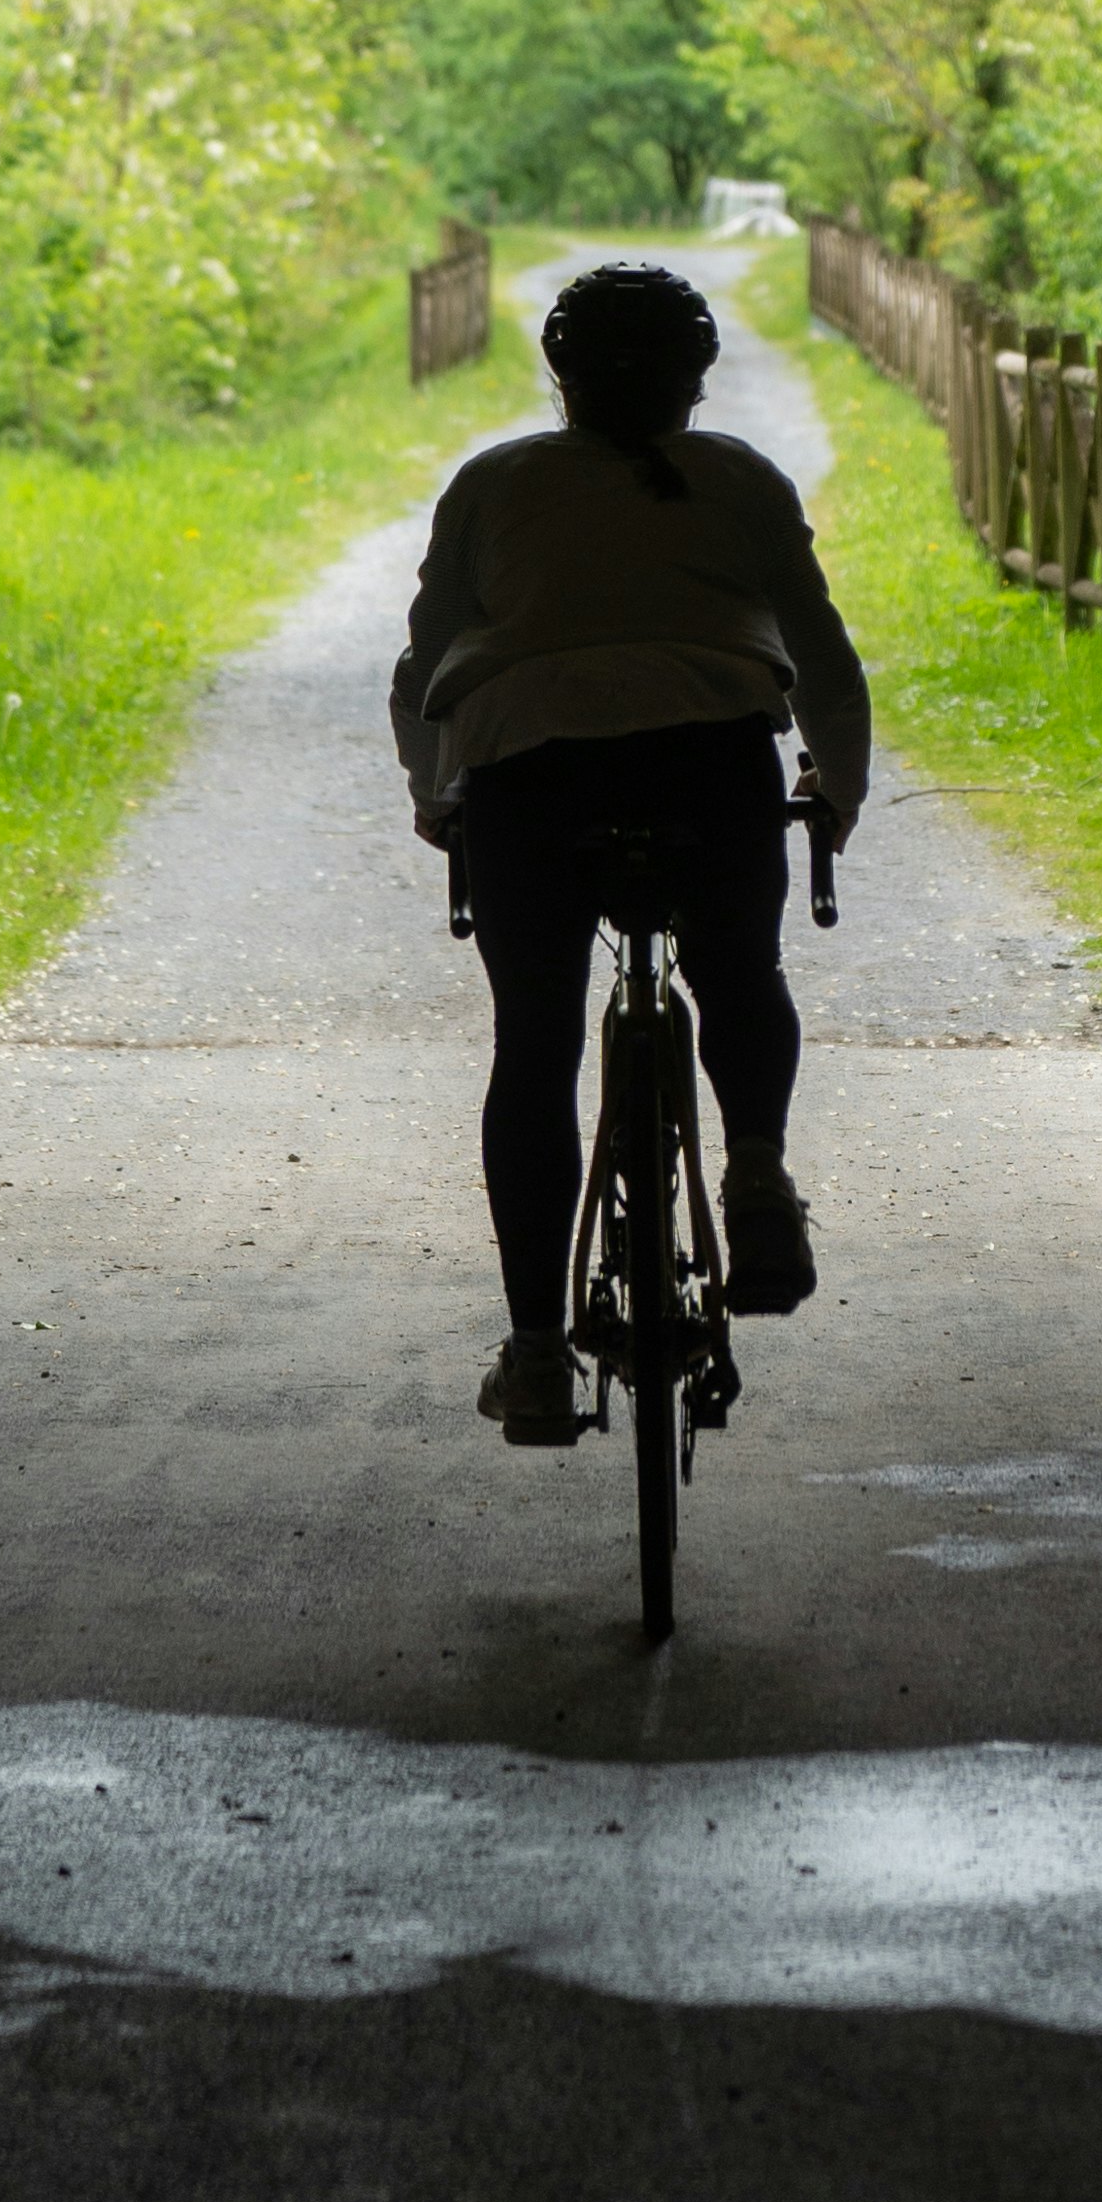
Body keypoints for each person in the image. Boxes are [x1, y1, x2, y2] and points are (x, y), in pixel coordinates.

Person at [390, 257, 871, 1449]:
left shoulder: (492, 484)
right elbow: (821, 650)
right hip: (709, 762)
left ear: (558, 375)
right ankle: (755, 1174)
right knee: (738, 971)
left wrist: (436, 792)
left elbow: (423, 667)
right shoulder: (741, 479)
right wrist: (837, 788)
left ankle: (540, 1357)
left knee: (537, 1041)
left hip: (531, 775)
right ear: (695, 378)